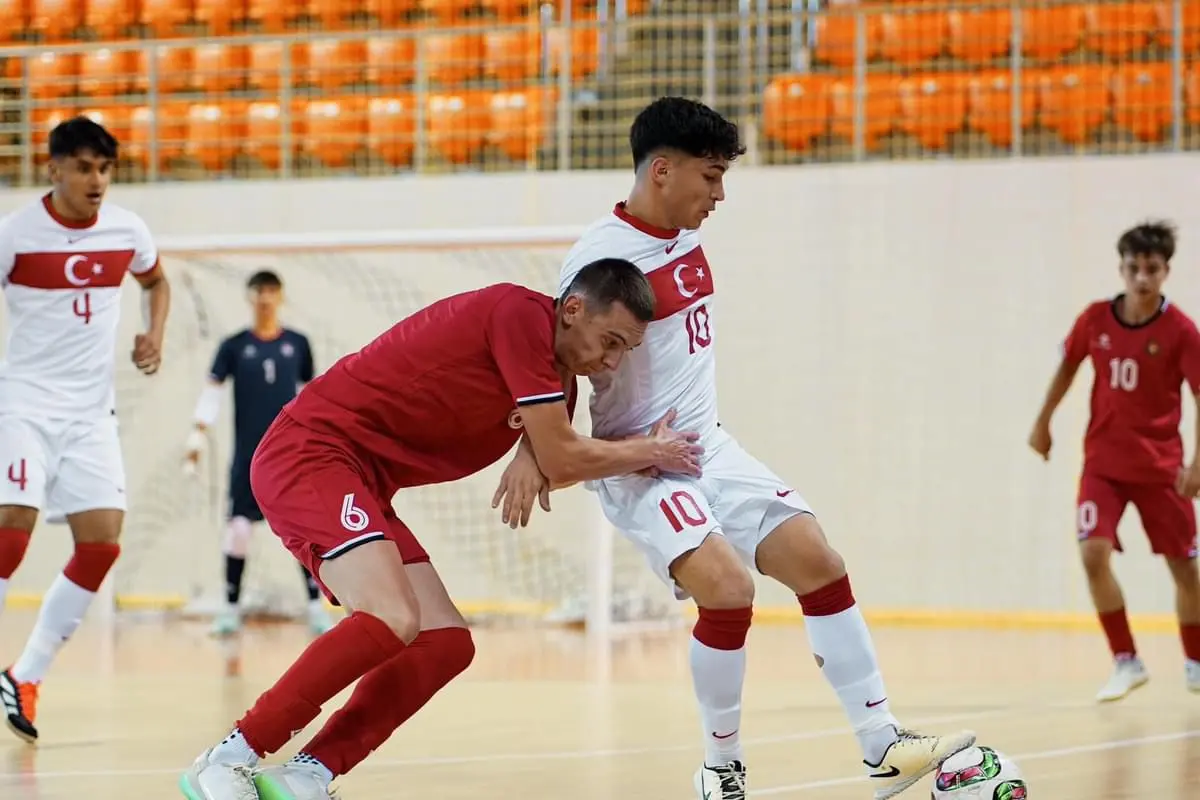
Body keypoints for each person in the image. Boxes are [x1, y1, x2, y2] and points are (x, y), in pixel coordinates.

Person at [492, 97, 976, 800]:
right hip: (644, 463)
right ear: (662, 171)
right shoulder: (599, 255)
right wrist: (537, 449)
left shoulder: (683, 233)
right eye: (710, 176)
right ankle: (721, 767)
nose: (719, 194)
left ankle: (882, 746)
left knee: (818, 559)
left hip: (709, 446)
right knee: (728, 588)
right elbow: (561, 354)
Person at [179, 258, 705, 800]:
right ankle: (229, 754)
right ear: (572, 310)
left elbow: (557, 463)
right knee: (391, 616)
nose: (611, 363)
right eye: (610, 340)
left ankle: (308, 772)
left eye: (625, 351)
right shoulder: (519, 313)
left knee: (445, 643)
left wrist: (545, 452)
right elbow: (565, 457)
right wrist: (647, 451)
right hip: (311, 452)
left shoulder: (556, 388)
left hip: (363, 483)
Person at [0, 116, 171, 743]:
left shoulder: (128, 230)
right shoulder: (15, 234)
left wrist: (154, 332)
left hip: (90, 411)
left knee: (101, 544)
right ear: (53, 170)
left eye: (104, 168)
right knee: (10, 526)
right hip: (23, 402)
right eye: (82, 167)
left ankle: (27, 673)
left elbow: (156, 280)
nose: (95, 180)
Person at [1029, 220, 1200, 703]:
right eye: (1133, 268)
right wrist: (1043, 421)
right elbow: (1067, 367)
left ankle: (1195, 661)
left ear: (1166, 271)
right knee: (1091, 553)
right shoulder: (1095, 319)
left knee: (1185, 568)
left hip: (1162, 469)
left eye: (1152, 269)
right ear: (1120, 268)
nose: (1141, 278)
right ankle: (1126, 659)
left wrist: (1197, 462)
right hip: (1103, 465)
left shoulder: (1182, 331)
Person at [185, 269, 333, 637]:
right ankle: (230, 610)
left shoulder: (298, 344)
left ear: (280, 296)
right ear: (249, 297)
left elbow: (309, 397)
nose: (265, 298)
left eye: (271, 291)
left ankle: (316, 609)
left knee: (305, 534)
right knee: (237, 531)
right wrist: (197, 437)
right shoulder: (233, 346)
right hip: (248, 461)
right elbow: (212, 393)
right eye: (259, 291)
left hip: (291, 458)